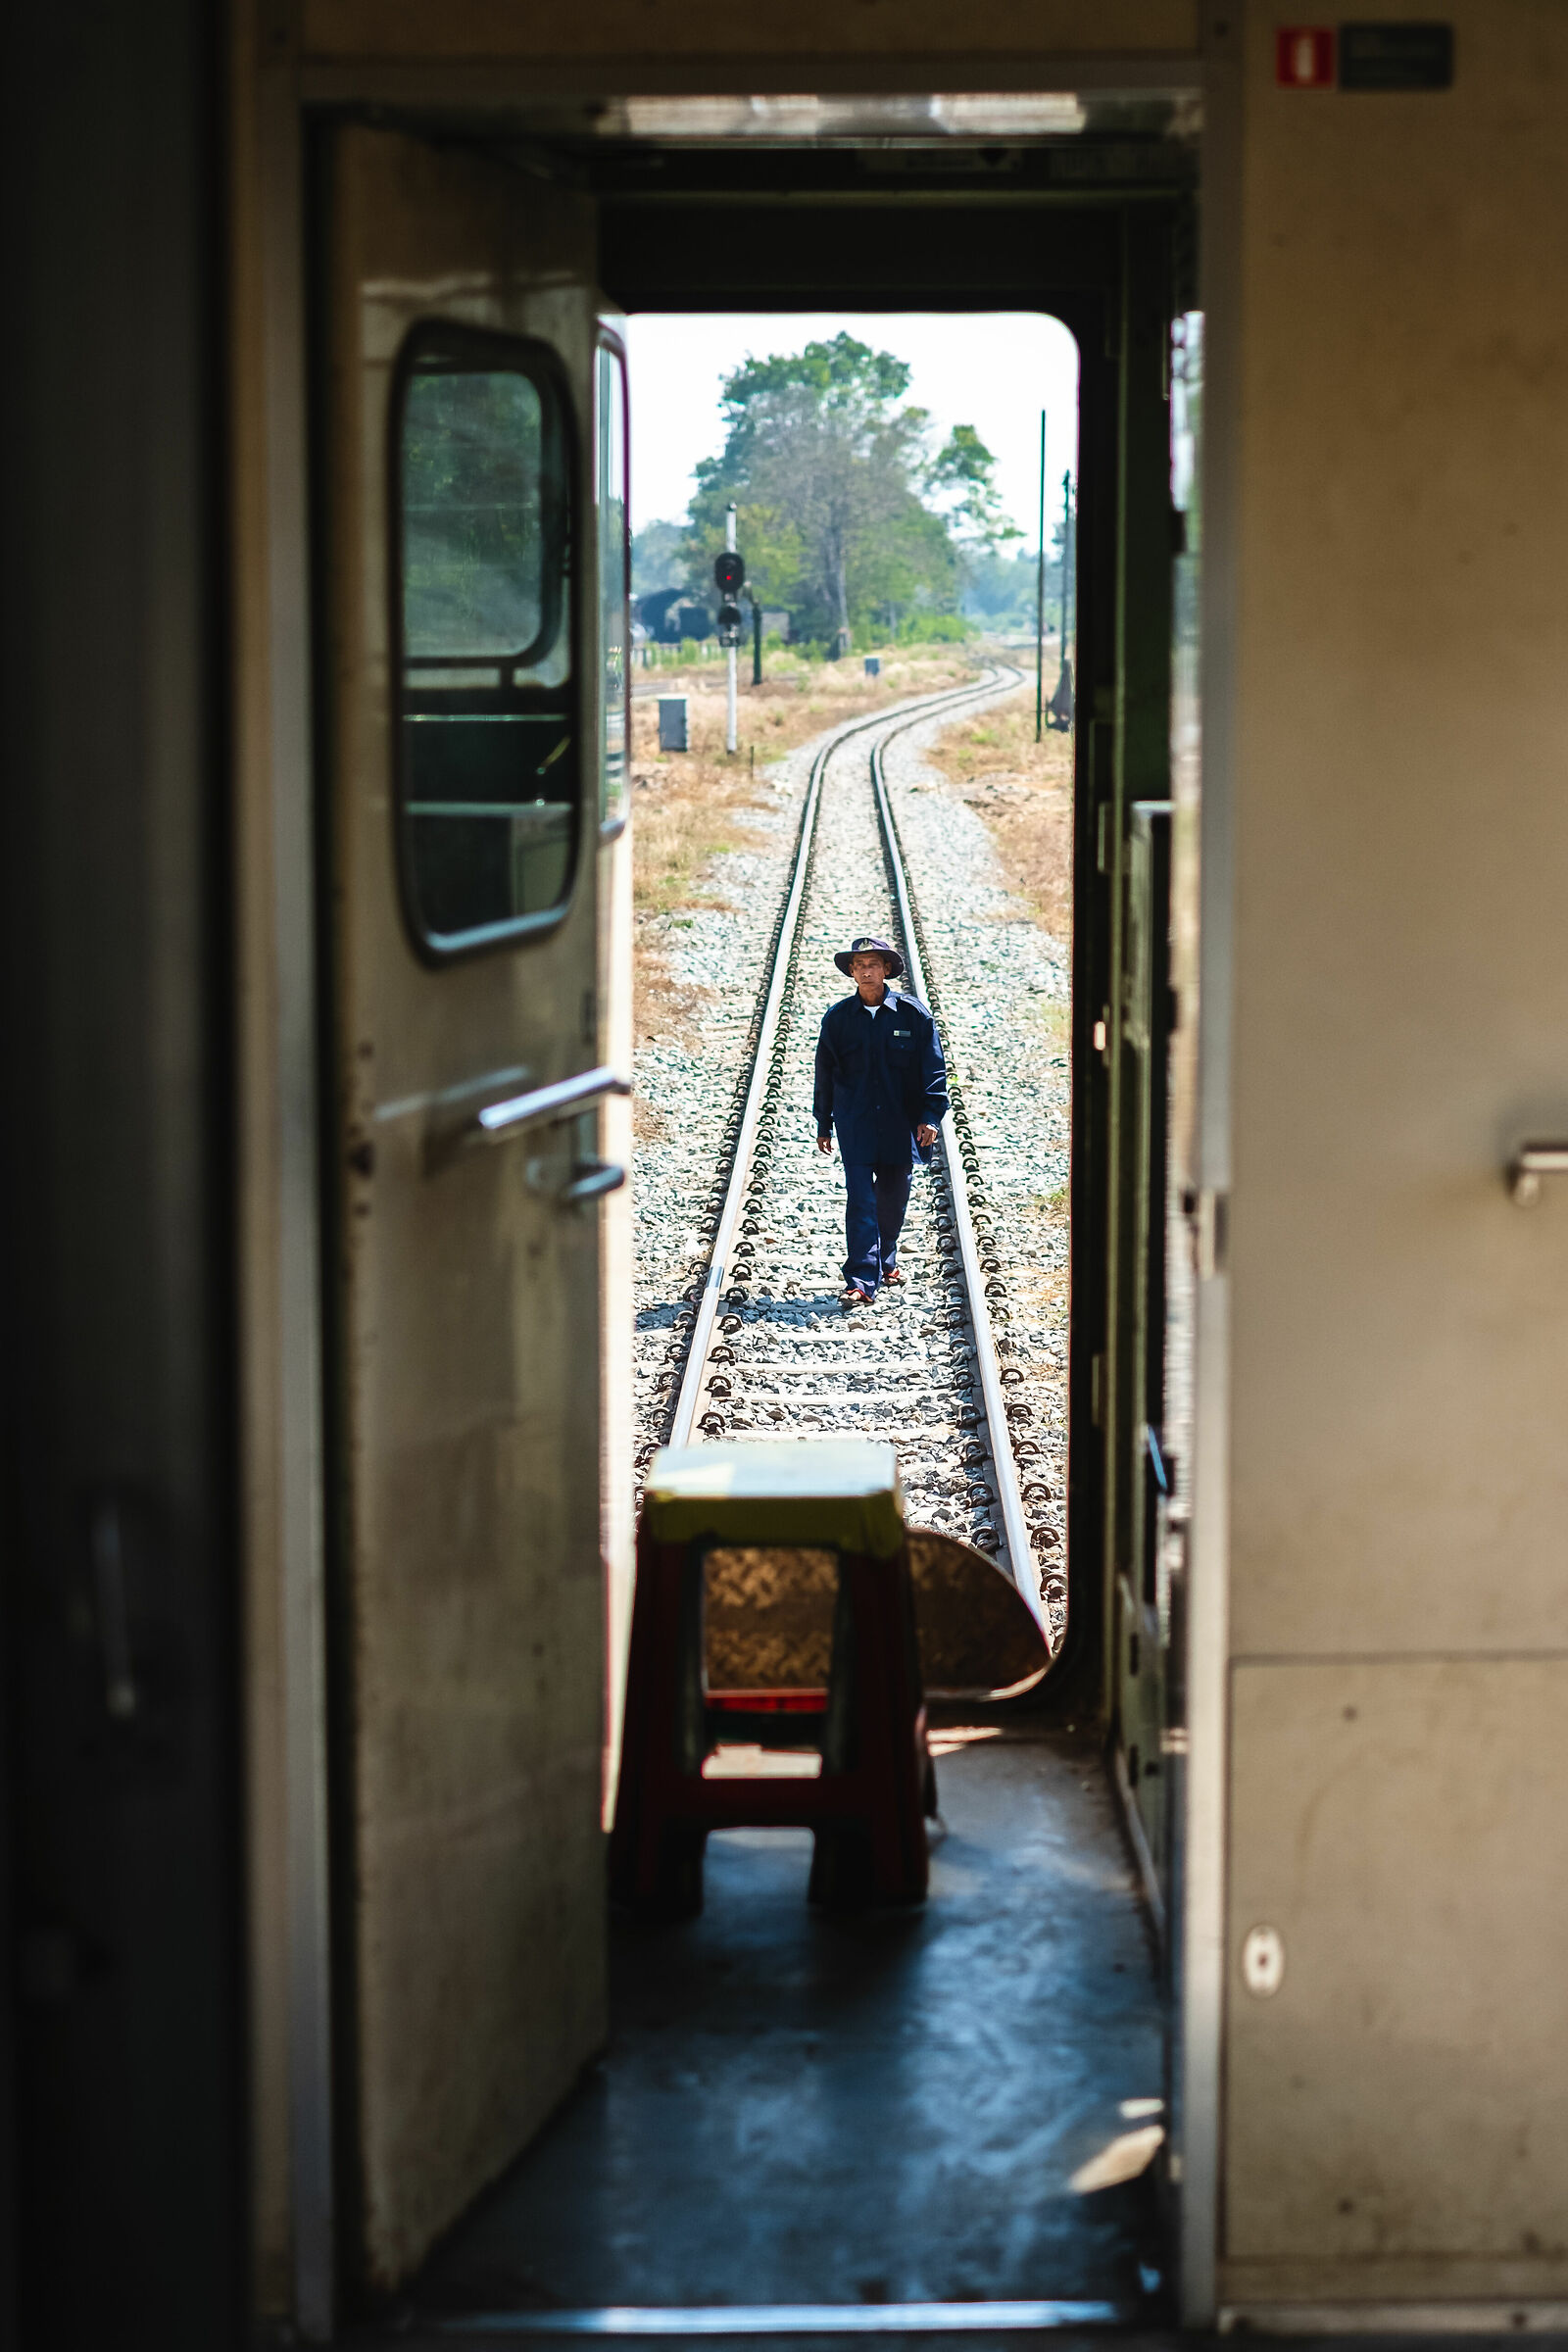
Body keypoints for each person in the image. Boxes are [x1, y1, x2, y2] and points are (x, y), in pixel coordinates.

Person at [813, 935, 949, 1307]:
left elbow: (933, 1070)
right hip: (854, 1125)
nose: (866, 971)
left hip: (899, 1126)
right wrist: (823, 1122)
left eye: (873, 964)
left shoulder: (913, 1014)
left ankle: (885, 1257)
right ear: (852, 973)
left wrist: (930, 1116)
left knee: (892, 1200)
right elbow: (824, 1073)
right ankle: (860, 1279)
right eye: (859, 966)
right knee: (860, 1202)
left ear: (886, 969)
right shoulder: (838, 1019)